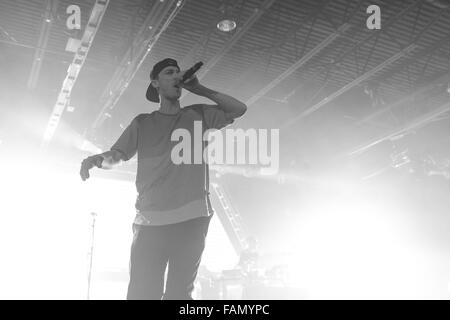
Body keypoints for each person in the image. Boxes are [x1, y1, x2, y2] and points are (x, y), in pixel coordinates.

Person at [79, 58, 246, 300]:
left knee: (179, 296)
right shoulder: (143, 122)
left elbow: (238, 109)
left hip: (191, 219)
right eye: (170, 73)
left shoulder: (197, 114)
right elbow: (117, 156)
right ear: (155, 83)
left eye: (179, 73)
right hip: (150, 220)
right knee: (141, 295)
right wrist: (97, 160)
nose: (177, 76)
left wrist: (198, 88)